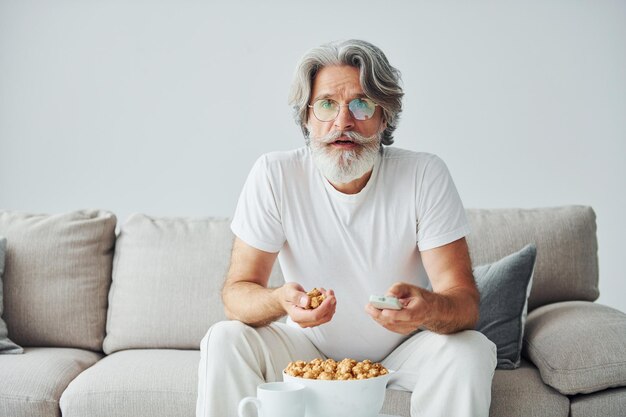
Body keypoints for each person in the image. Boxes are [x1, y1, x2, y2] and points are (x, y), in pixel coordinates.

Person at [196, 39, 497, 417]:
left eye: (361, 103)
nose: (343, 122)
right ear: (306, 117)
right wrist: (279, 300)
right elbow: (236, 294)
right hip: (306, 345)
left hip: (405, 350)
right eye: (326, 104)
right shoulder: (275, 175)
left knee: (471, 348)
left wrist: (426, 309)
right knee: (225, 338)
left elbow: (464, 303)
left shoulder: (423, 174)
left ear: (384, 116)